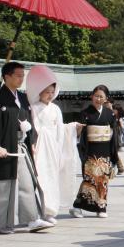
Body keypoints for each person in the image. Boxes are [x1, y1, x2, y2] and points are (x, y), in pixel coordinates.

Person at [0, 62, 53, 234]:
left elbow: (30, 121)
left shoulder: (23, 98)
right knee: (3, 185)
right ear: (7, 76)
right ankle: (0, 223)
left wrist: (32, 140)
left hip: (21, 146)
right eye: (18, 75)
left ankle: (32, 219)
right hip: (5, 146)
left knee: (26, 183)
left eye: (22, 75)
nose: (21, 78)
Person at [27, 65, 82, 222]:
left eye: (52, 92)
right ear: (39, 91)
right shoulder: (34, 107)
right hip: (40, 146)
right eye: (47, 92)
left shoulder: (56, 109)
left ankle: (50, 211)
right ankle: (38, 211)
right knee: (40, 178)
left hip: (53, 148)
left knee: (52, 178)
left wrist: (72, 128)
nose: (50, 95)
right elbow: (34, 127)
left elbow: (60, 129)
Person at [70, 85, 121, 218]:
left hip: (105, 151)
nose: (98, 99)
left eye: (101, 97)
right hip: (90, 151)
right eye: (96, 96)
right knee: (89, 179)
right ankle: (78, 207)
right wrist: (78, 129)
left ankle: (101, 207)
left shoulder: (110, 114)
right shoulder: (85, 113)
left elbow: (114, 134)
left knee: (103, 180)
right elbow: (79, 133)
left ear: (106, 99)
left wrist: (114, 153)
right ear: (92, 96)